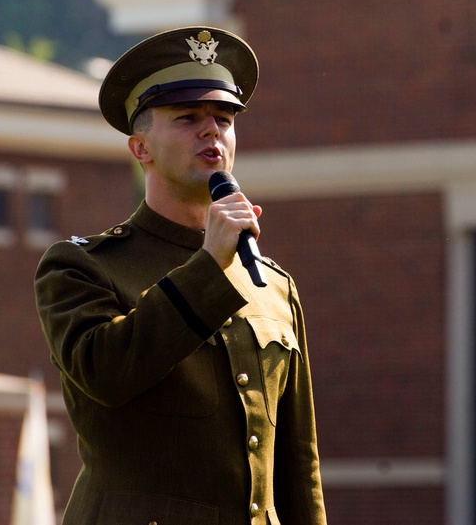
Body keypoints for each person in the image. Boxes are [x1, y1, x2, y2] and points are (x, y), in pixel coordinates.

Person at [35, 26, 326, 524]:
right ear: (141, 149)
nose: (211, 131)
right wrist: (210, 265)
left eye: (223, 118)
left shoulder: (273, 285)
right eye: (188, 118)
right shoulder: (82, 267)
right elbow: (105, 374)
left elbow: (299, 468)